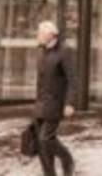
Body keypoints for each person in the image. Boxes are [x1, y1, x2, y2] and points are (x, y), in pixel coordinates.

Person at [33, 20, 76, 176]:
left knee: (46, 138)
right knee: (41, 143)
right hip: (40, 104)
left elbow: (72, 79)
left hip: (56, 103)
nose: (37, 35)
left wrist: (69, 103)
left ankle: (67, 159)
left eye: (40, 33)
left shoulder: (65, 51)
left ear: (51, 35)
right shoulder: (40, 50)